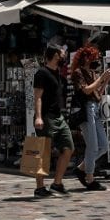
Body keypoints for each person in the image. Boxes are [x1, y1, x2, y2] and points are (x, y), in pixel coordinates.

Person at [32, 45, 75, 198]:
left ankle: (57, 184)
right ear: (56, 55)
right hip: (46, 117)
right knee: (44, 152)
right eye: (63, 52)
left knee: (68, 147)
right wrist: (38, 117)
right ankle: (40, 188)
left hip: (59, 117)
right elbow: (37, 97)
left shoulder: (58, 74)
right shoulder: (41, 73)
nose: (65, 55)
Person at [70, 49, 110, 191]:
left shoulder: (93, 73)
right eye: (95, 57)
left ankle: (82, 168)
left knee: (104, 145)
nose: (97, 60)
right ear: (87, 58)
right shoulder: (78, 73)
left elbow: (97, 95)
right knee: (93, 146)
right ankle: (90, 177)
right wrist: (100, 79)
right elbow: (86, 90)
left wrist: (104, 82)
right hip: (85, 110)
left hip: (94, 108)